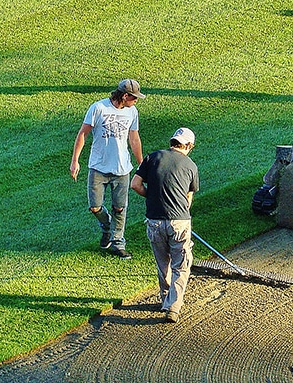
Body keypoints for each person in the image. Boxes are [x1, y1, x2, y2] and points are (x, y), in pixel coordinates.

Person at [70, 79, 145, 258]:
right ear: (125, 96)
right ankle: (107, 227)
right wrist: (75, 161)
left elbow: (134, 138)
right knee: (95, 207)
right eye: (134, 98)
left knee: (120, 208)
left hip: (122, 169)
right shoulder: (98, 108)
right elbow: (83, 133)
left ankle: (118, 242)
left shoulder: (132, 112)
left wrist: (141, 163)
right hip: (98, 167)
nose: (136, 101)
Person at [131, 127, 199, 324]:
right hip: (179, 221)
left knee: (163, 264)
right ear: (187, 145)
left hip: (154, 220)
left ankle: (165, 298)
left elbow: (135, 184)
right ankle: (173, 306)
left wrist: (151, 197)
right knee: (181, 264)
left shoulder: (152, 157)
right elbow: (188, 198)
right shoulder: (190, 165)